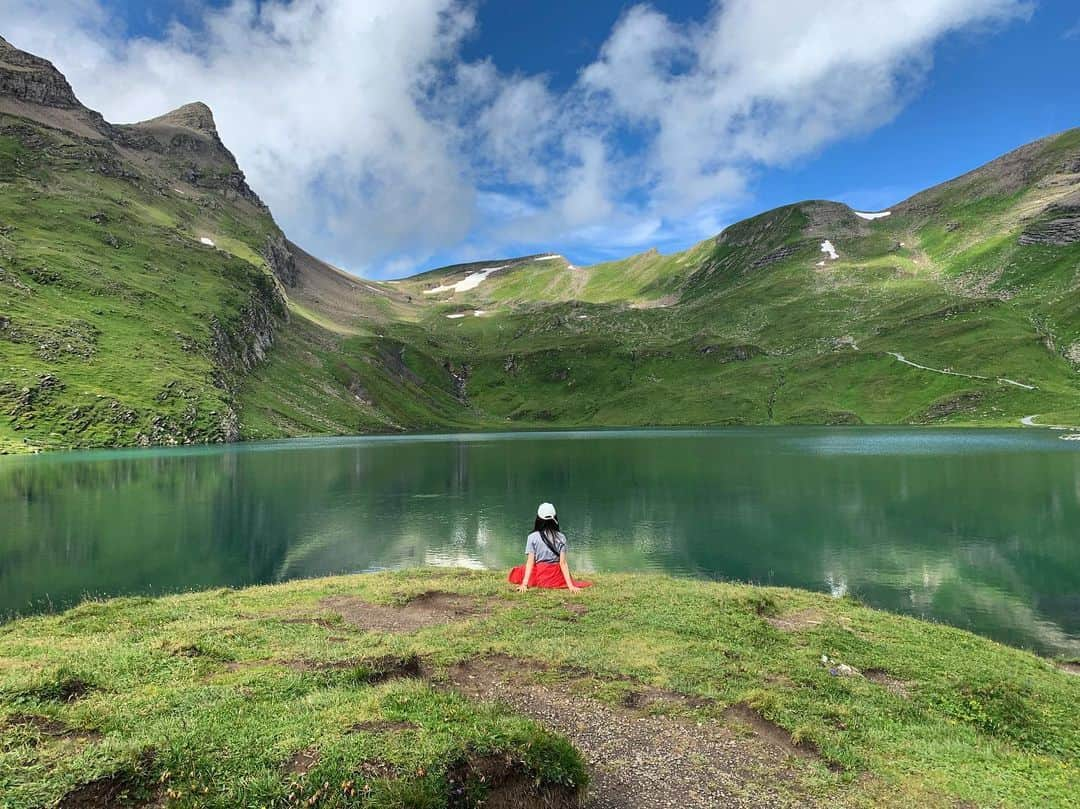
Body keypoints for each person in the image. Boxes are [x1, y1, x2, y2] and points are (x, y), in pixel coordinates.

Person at [508, 502, 591, 592]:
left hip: (540, 574)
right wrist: (570, 586)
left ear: (538, 519)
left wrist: (524, 584)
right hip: (556, 576)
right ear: (555, 519)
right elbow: (563, 563)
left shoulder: (532, 537)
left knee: (518, 571)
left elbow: (530, 563)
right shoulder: (561, 537)